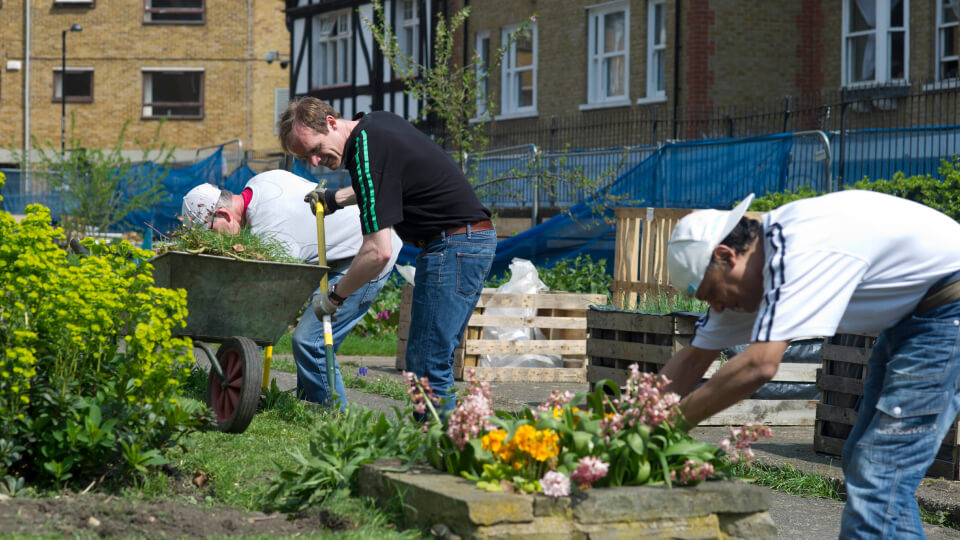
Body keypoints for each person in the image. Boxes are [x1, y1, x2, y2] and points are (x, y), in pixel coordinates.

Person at [659, 190, 960, 538]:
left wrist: (669, 424)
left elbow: (759, 366)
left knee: (879, 471)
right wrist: (631, 423)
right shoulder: (751, 271)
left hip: (947, 306)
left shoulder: (795, 250)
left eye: (711, 293)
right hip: (912, 315)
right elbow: (693, 358)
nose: (717, 307)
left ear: (726, 256)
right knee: (869, 466)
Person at [277, 97, 496, 415]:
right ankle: (436, 438)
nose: (314, 161)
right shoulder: (375, 127)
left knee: (429, 365)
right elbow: (385, 184)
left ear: (331, 122)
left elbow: (378, 252)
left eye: (315, 149)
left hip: (455, 246)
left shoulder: (365, 149)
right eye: (305, 158)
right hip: (462, 242)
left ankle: (443, 441)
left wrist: (335, 297)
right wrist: (335, 198)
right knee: (423, 361)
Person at [181, 169, 402, 409]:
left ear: (223, 214)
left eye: (211, 233)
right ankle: (306, 409)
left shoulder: (270, 228)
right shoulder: (259, 183)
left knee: (311, 341)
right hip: (341, 252)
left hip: (368, 253)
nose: (215, 242)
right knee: (310, 341)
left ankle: (333, 418)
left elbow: (272, 302)